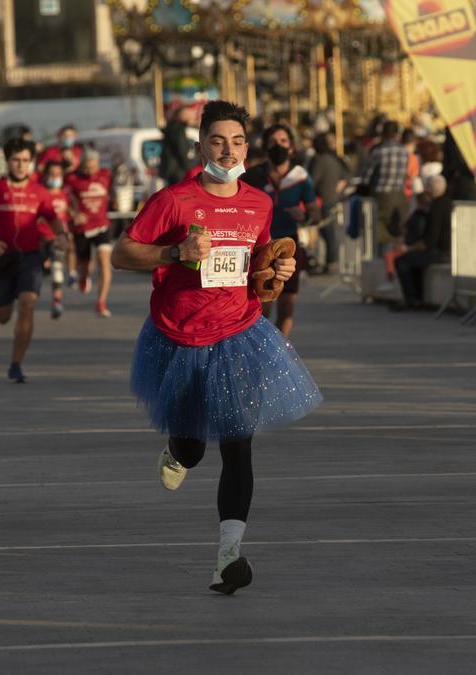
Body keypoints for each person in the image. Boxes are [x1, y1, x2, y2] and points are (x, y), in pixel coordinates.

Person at [112, 100, 322, 595]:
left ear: (247, 148)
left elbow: (259, 265)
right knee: (192, 446)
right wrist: (174, 252)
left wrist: (277, 271)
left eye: (237, 142)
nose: (229, 151)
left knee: (237, 443)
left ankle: (229, 556)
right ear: (200, 146)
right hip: (179, 335)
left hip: (238, 332)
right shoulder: (174, 200)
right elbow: (122, 253)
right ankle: (178, 452)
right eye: (218, 141)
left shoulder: (259, 203)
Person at [0, 139, 68, 383]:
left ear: (31, 162)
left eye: (25, 160)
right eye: (16, 160)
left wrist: (61, 236)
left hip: (29, 256)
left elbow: (53, 218)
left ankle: (16, 364)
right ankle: (5, 301)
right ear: (7, 161)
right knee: (2, 315)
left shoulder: (39, 191)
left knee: (27, 303)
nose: (21, 165)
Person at [243, 123, 319, 337]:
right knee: (262, 307)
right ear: (266, 147)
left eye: (283, 141)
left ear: (291, 147)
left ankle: (280, 349)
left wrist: (304, 216)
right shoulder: (253, 176)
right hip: (260, 246)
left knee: (286, 306)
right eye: (273, 142)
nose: (279, 146)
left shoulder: (300, 176)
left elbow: (316, 214)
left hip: (289, 246)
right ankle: (260, 348)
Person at [64, 148, 116, 317]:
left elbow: (112, 192)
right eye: (86, 167)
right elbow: (63, 201)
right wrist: (74, 214)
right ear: (81, 165)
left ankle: (101, 303)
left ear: (98, 164)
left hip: (102, 225)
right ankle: (83, 276)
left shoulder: (106, 175)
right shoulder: (72, 178)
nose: (90, 171)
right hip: (82, 228)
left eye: (93, 167)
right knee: (84, 266)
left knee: (104, 261)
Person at [392, 175, 452, 310]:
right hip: (447, 251)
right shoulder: (449, 203)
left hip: (440, 253)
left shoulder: (436, 207)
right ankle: (417, 298)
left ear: (430, 189)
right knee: (414, 260)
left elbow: (429, 241)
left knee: (402, 261)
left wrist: (408, 248)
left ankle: (412, 299)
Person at [358, 121, 409, 249]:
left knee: (381, 231)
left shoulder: (378, 151)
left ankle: (383, 255)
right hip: (400, 195)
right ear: (397, 134)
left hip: (381, 195)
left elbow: (366, 177)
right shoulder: (404, 151)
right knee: (397, 229)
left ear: (383, 134)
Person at [307, 131, 349, 273]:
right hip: (333, 199)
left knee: (327, 232)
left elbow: (312, 181)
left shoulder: (320, 161)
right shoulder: (335, 159)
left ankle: (331, 261)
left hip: (322, 200)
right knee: (330, 232)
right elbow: (346, 177)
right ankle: (331, 261)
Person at [41, 160, 76, 319]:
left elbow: (71, 211)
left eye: (57, 174)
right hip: (40, 239)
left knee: (57, 267)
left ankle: (56, 301)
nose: (54, 177)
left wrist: (75, 215)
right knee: (38, 270)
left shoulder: (64, 195)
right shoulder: (40, 194)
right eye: (51, 174)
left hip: (58, 238)